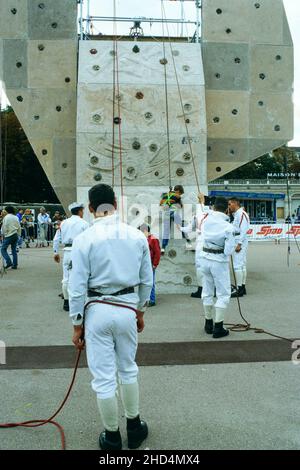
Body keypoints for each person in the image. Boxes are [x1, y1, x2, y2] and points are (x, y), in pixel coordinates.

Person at [68, 184, 153, 450]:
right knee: (128, 369)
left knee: (103, 377)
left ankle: (112, 435)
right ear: (115, 203)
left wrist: (77, 324)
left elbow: (77, 287)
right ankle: (134, 426)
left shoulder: (84, 238)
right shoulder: (136, 236)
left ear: (91, 208)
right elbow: (146, 281)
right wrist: (139, 312)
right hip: (127, 309)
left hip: (96, 311)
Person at [198, 197, 235, 338]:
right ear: (226, 209)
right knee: (223, 294)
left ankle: (208, 323)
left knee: (207, 291)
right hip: (218, 261)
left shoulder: (206, 221)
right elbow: (229, 251)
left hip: (205, 258)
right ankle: (218, 327)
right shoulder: (228, 227)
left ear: (214, 208)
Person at [53, 202, 89, 312]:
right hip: (79, 251)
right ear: (79, 211)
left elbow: (56, 238)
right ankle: (82, 301)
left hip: (67, 252)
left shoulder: (63, 223)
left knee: (66, 278)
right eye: (82, 211)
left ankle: (66, 303)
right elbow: (89, 240)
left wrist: (55, 252)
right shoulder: (84, 223)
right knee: (82, 276)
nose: (83, 213)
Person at [180, 193, 210, 299]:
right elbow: (189, 228)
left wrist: (201, 200)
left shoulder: (205, 214)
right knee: (203, 267)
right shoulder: (206, 214)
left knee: (200, 266)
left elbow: (200, 209)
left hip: (203, 242)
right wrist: (180, 228)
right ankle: (203, 289)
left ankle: (202, 289)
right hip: (204, 242)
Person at [228, 197, 250, 298]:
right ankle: (242, 287)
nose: (229, 206)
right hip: (238, 239)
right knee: (242, 264)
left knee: (237, 265)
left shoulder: (241, 214)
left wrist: (239, 244)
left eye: (230, 204)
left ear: (235, 203)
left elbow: (243, 229)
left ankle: (239, 288)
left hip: (239, 240)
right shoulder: (237, 214)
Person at [139, 224, 161, 307]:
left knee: (150, 282)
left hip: (151, 264)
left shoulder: (153, 239)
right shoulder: (144, 239)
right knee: (146, 282)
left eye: (141, 232)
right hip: (145, 264)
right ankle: (147, 299)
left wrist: (155, 264)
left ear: (145, 231)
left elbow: (157, 253)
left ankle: (152, 300)